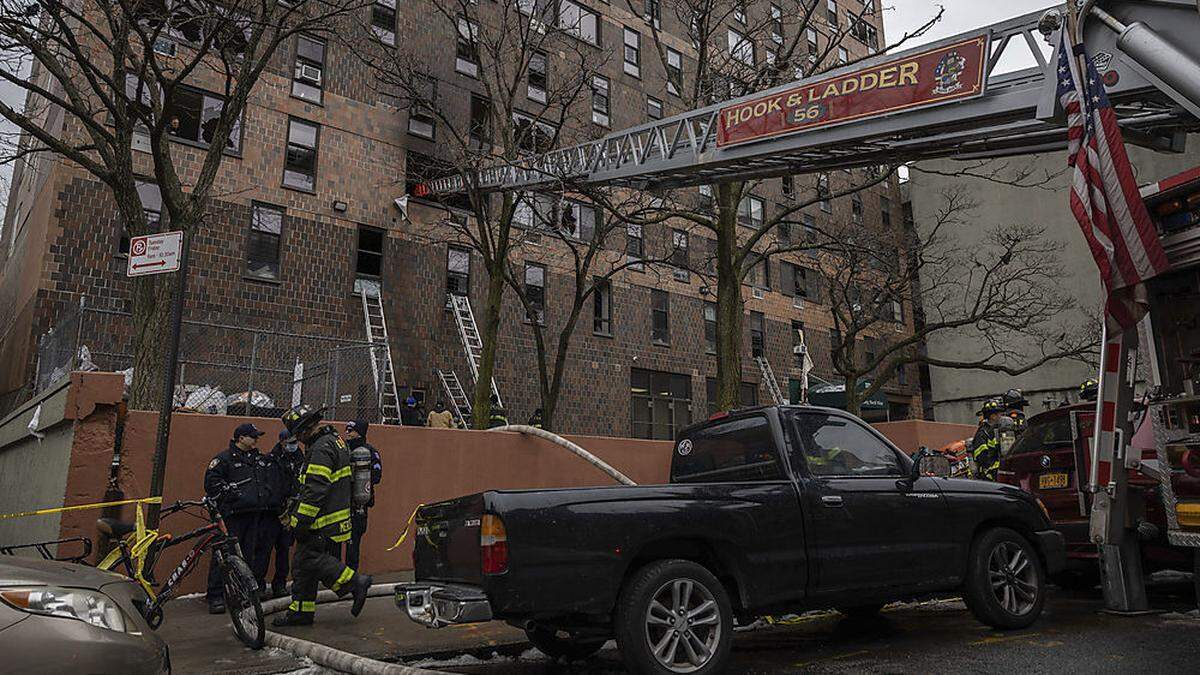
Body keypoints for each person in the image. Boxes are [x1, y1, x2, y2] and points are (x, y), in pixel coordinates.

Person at [271, 405, 372, 627]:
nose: (297, 439)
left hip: (321, 519)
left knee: (310, 560)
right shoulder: (335, 441)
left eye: (298, 434)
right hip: (333, 517)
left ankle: (355, 582)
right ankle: (302, 612)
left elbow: (315, 489)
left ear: (306, 429)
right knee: (303, 565)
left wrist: (301, 521)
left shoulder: (320, 449)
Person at [203, 423, 273, 614]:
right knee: (225, 555)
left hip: (254, 514)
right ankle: (216, 595)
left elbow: (267, 481)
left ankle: (243, 592)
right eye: (252, 436)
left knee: (246, 556)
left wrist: (264, 496)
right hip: (231, 516)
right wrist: (232, 498)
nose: (256, 440)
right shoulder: (224, 460)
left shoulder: (258, 459)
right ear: (240, 438)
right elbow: (212, 484)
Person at [265, 430, 306, 599]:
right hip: (273, 511)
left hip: (293, 509)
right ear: (281, 442)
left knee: (284, 550)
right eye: (290, 442)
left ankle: (279, 584)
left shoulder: (300, 459)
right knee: (265, 549)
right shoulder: (272, 459)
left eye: (295, 442)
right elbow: (271, 487)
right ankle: (259, 584)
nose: (293, 445)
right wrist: (280, 512)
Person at [339, 420, 382, 571]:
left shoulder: (370, 452)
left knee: (353, 543)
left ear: (360, 433)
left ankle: (351, 576)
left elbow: (377, 476)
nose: (348, 433)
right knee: (335, 542)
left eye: (351, 431)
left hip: (359, 506)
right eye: (347, 430)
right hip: (341, 504)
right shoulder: (341, 449)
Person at [971, 399, 1004, 481]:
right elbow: (983, 458)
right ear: (992, 416)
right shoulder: (983, 433)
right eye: (1000, 414)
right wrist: (995, 468)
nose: (1002, 416)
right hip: (989, 475)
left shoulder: (997, 430)